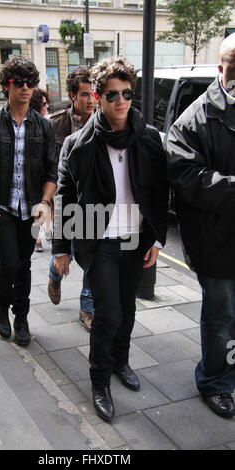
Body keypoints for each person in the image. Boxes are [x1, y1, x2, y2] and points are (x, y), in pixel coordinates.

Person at [52, 57, 168, 421]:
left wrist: (157, 239)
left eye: (127, 93)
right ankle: (99, 381)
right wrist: (60, 249)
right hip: (98, 238)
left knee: (128, 309)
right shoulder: (78, 143)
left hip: (135, 238)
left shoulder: (147, 137)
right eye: (112, 94)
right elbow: (65, 197)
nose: (121, 101)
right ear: (98, 98)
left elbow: (159, 190)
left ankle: (121, 363)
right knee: (108, 313)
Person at [0, 56, 58, 346]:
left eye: (30, 82)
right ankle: (1, 307)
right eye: (19, 82)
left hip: (30, 208)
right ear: (7, 85)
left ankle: (22, 316)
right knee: (9, 261)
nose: (25, 87)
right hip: (0, 206)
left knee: (24, 263)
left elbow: (52, 170)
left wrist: (45, 201)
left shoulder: (43, 126)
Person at [166, 33, 235, 419]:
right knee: (222, 316)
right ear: (220, 67)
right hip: (218, 242)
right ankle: (216, 381)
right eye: (234, 64)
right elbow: (186, 176)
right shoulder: (195, 118)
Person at [48, 65, 96, 332]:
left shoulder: (104, 119)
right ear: (72, 95)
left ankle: (87, 308)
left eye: (93, 94)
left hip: (94, 205)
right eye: (85, 94)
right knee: (65, 254)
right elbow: (45, 165)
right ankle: (54, 277)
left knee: (92, 255)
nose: (91, 100)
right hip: (63, 202)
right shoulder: (55, 124)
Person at [30, 88, 51, 252]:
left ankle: (47, 231)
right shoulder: (34, 125)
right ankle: (38, 237)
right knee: (40, 205)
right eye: (44, 104)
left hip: (48, 173)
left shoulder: (47, 123)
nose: (47, 106)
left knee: (48, 203)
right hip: (37, 175)